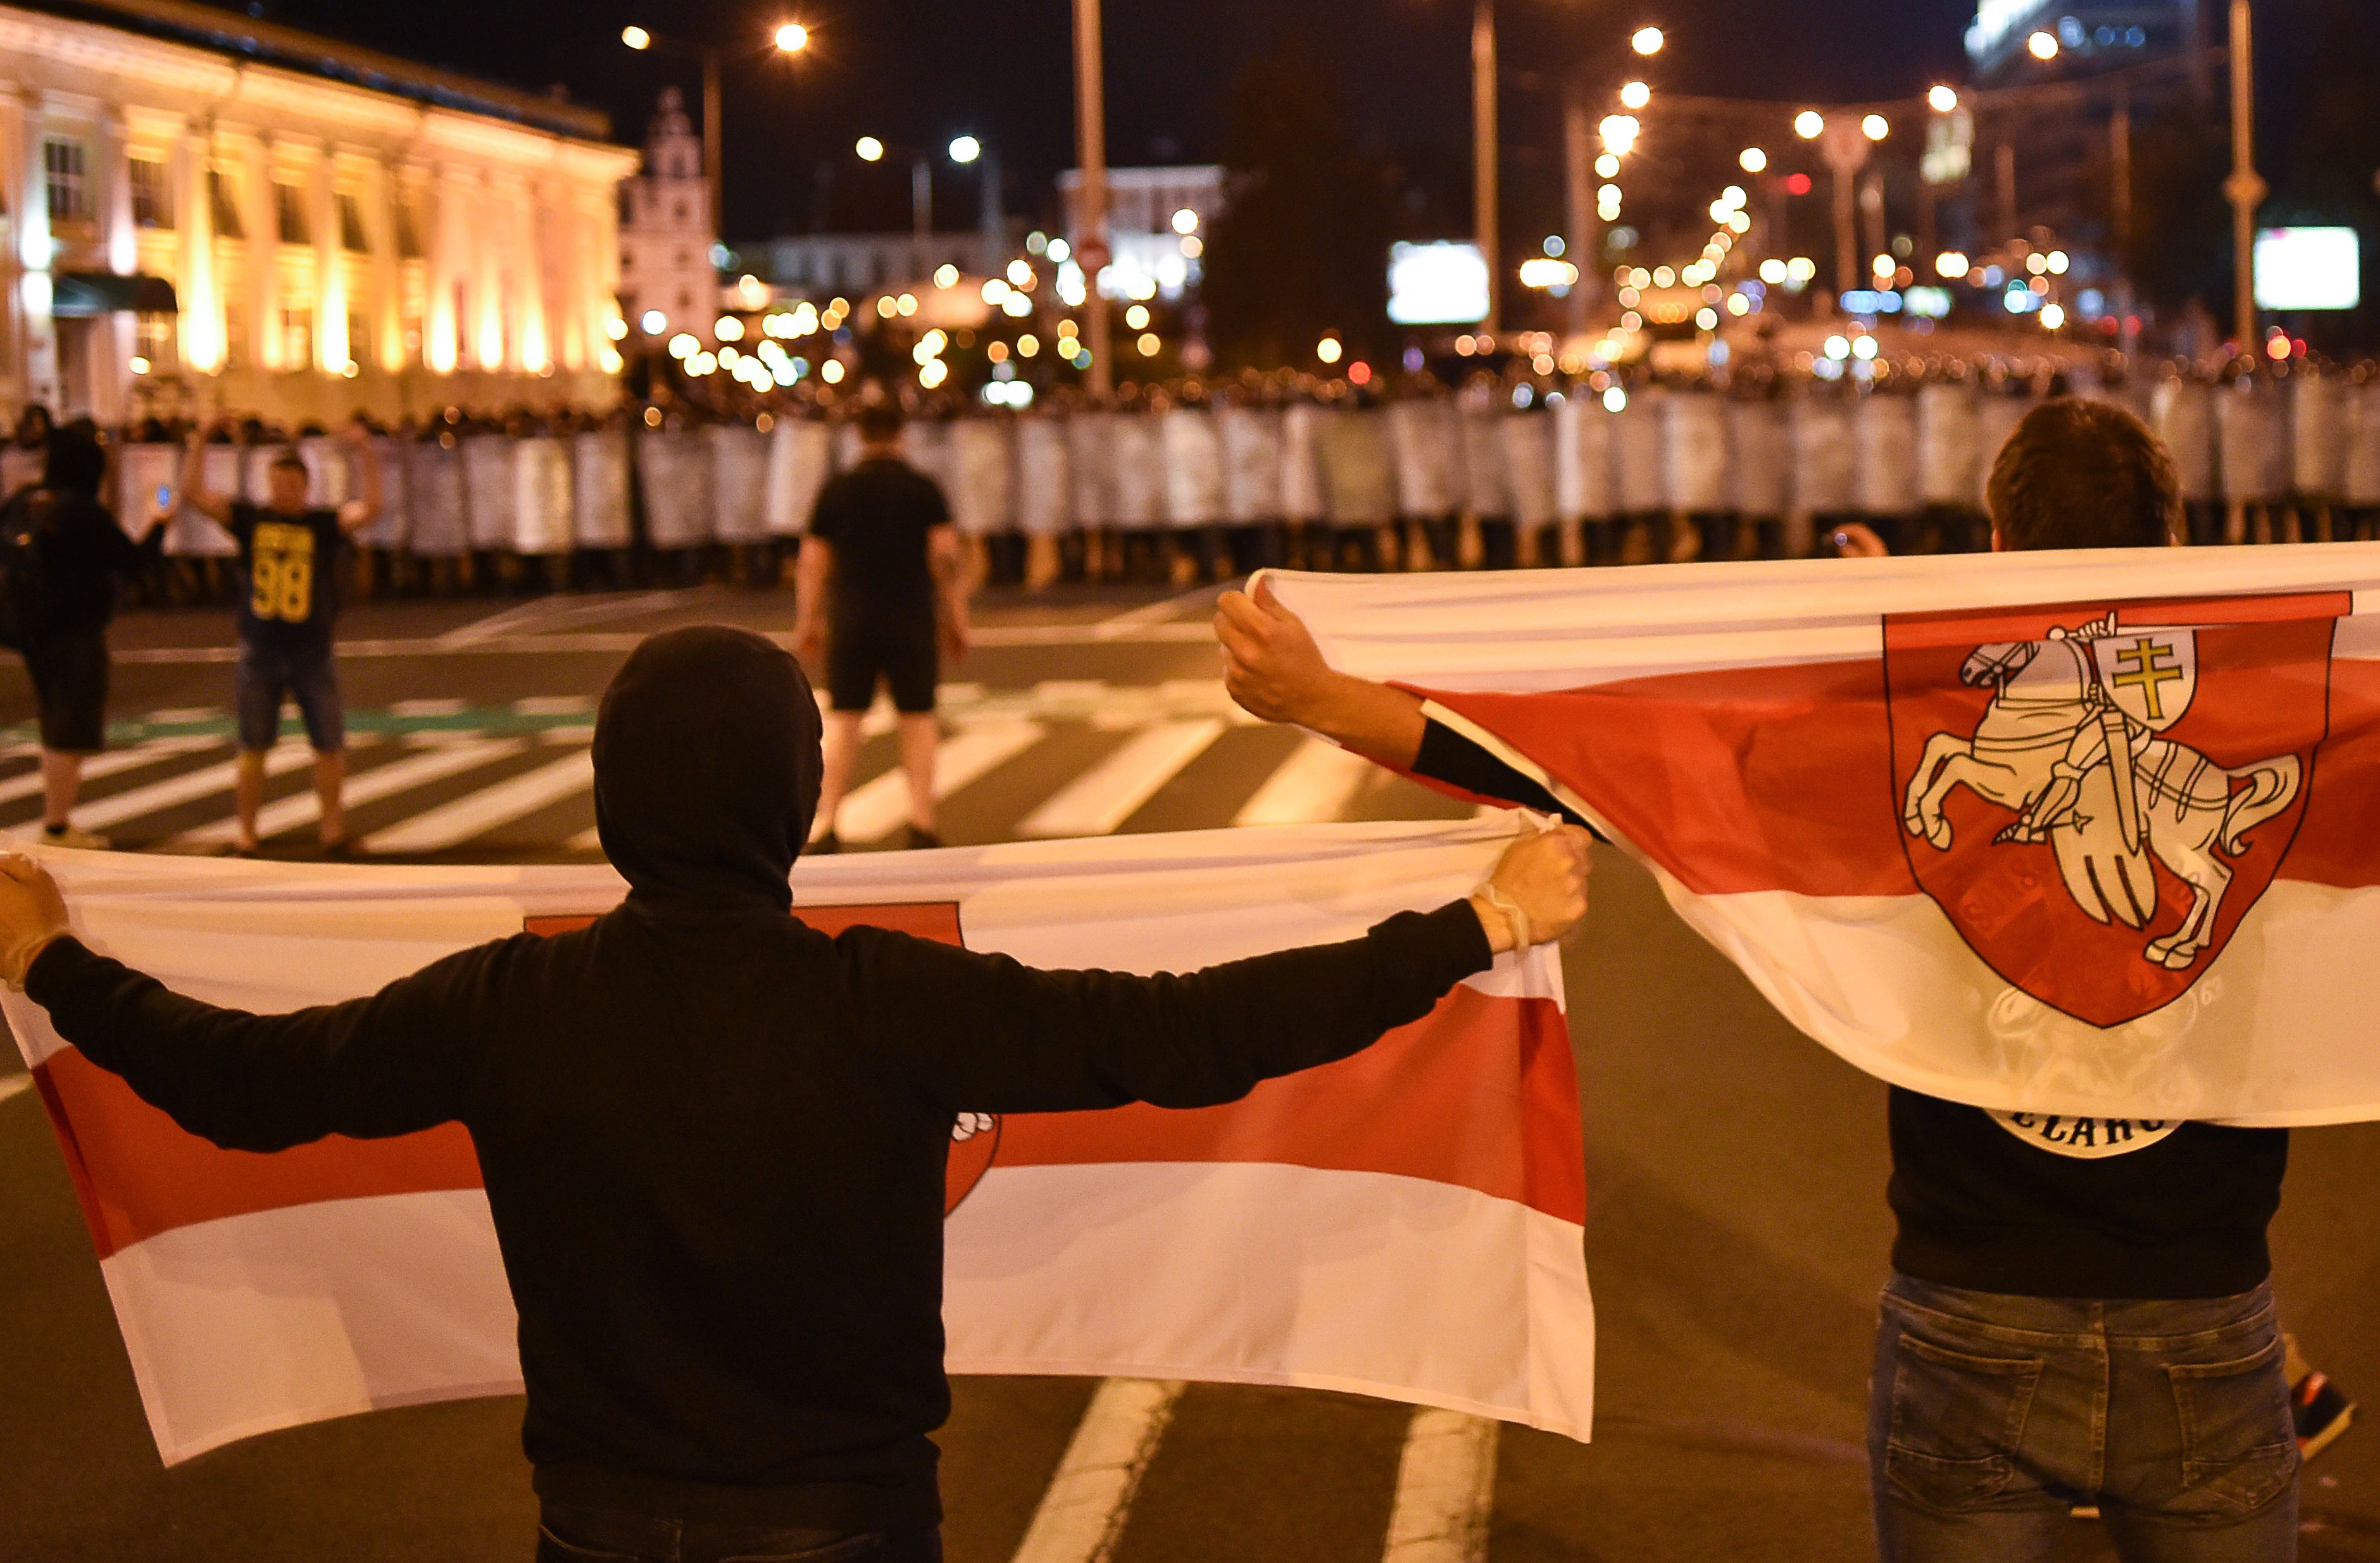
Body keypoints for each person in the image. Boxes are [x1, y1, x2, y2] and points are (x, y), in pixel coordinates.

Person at [1216, 394, 2380, 1563]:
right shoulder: (2303, 719)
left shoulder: (1898, 721)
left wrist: (1327, 695)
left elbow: (1595, 752)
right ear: (2173, 529)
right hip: (2209, 1328)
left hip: (1963, 1313)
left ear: (1998, 543)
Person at [0, 623, 1591, 1560]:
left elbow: (244, 1087)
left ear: (614, 800)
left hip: (599, 1522)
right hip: (845, 1520)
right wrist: (1477, 921)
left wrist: (52, 964)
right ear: (800, 799)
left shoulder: (511, 1001)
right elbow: (1182, 1036)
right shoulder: (878, 1000)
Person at [178, 417, 375, 855]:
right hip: (261, 648)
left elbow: (370, 508)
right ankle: (246, 832)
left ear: (306, 487)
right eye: (278, 483)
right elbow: (195, 495)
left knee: (328, 744)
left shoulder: (320, 525)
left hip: (311, 649)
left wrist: (364, 451)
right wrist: (202, 438)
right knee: (253, 745)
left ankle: (332, 830)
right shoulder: (252, 520)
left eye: (292, 483)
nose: (285, 491)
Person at [798, 403, 972, 853]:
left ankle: (828, 821)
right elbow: (945, 556)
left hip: (852, 617)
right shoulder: (922, 489)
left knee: (845, 720)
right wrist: (956, 617)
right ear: (901, 434)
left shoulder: (837, 489)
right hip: (912, 617)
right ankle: (921, 820)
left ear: (859, 434)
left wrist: (808, 619)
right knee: (917, 718)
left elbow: (814, 562)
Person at [2, 424, 170, 848]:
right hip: (74, 631)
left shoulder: (24, 502)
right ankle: (57, 825)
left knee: (52, 719)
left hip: (26, 628)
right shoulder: (81, 512)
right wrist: (160, 521)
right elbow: (133, 561)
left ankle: (56, 818)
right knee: (70, 725)